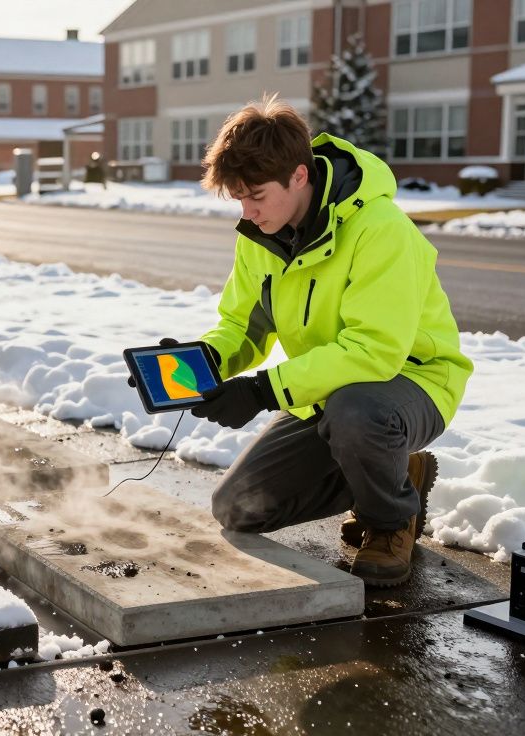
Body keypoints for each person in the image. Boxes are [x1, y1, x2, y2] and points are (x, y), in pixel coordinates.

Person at [176, 95, 472, 586]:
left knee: (357, 412)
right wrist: (205, 360)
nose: (247, 212)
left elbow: (374, 351)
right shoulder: (260, 236)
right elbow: (241, 326)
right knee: (236, 508)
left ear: (299, 175)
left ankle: (389, 520)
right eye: (239, 199)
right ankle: (394, 473)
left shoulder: (381, 231)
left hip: (412, 382)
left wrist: (262, 391)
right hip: (326, 393)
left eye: (256, 195)